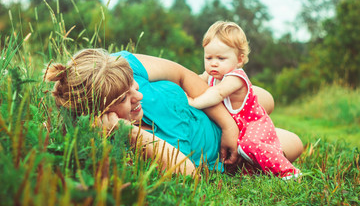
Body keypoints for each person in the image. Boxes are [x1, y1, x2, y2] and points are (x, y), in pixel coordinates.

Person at [45, 48, 303, 176]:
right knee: (294, 144)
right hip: (223, 149)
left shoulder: (121, 65)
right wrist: (129, 132)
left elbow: (181, 73)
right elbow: (190, 175)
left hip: (211, 106)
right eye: (124, 98)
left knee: (266, 98)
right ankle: (258, 131)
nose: (139, 96)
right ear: (101, 113)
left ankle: (253, 121)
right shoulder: (115, 141)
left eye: (132, 86)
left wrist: (228, 125)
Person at [187, 21, 301, 179]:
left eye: (221, 58)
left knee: (250, 145)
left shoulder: (236, 77)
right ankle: (251, 173)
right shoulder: (213, 74)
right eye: (208, 57)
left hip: (254, 123)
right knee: (243, 151)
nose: (213, 63)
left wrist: (193, 102)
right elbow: (196, 79)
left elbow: (218, 93)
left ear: (239, 60)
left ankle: (288, 172)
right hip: (241, 127)